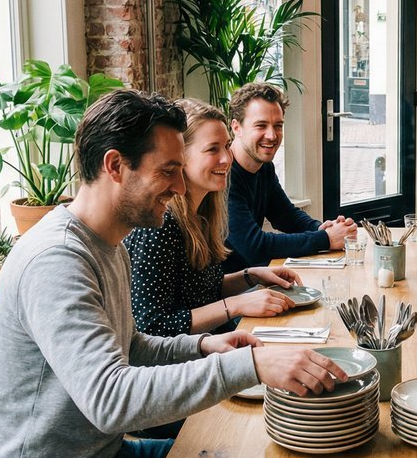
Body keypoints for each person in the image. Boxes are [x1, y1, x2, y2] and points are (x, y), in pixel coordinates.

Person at [0, 89, 348, 458]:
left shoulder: (108, 242)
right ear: (115, 166)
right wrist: (251, 364)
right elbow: (111, 400)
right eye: (168, 171)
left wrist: (205, 347)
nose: (178, 186)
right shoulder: (56, 261)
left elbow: (131, 345)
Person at [126, 99, 301, 337]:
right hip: (188, 355)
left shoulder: (203, 213)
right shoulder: (161, 225)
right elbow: (152, 326)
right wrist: (236, 305)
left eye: (227, 146)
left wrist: (251, 276)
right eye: (212, 149)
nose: (227, 158)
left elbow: (204, 291)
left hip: (213, 340)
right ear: (180, 157)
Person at [224, 82, 356, 271]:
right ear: (236, 127)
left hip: (254, 277)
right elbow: (254, 247)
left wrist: (322, 228)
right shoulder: (223, 173)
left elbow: (286, 216)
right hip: (231, 285)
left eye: (278, 126)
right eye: (261, 125)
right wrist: (326, 239)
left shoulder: (264, 167)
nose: (272, 135)